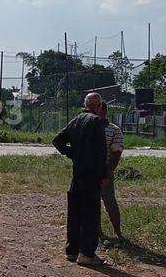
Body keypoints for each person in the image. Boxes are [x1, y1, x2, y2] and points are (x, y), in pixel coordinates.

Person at [52, 93, 109, 265]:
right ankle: (87, 254)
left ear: (85, 105)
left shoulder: (76, 120)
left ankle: (72, 250)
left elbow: (57, 141)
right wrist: (104, 175)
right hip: (91, 175)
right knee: (91, 214)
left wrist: (73, 154)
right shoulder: (96, 122)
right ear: (99, 107)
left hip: (77, 174)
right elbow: (100, 153)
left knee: (75, 212)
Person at [97, 101, 124, 239]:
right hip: (89, 172)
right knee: (92, 204)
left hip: (104, 172)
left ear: (102, 110)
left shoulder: (114, 130)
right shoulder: (89, 127)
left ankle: (117, 232)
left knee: (110, 203)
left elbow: (116, 154)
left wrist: (108, 175)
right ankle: (97, 232)